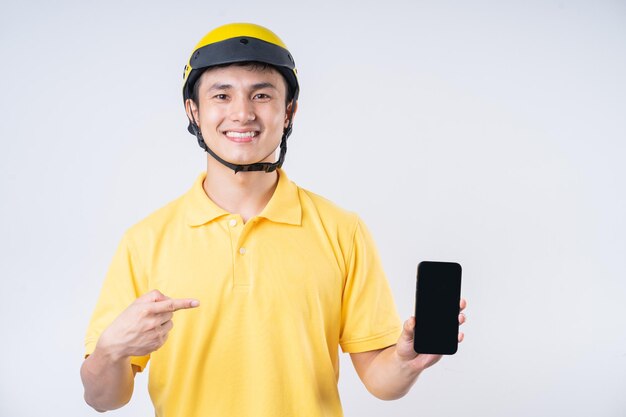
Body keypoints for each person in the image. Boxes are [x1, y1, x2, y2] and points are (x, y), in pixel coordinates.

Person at [80, 22, 467, 417]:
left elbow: (381, 383)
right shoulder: (145, 240)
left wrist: (406, 361)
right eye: (222, 95)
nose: (242, 113)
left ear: (289, 111)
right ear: (193, 110)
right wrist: (111, 350)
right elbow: (104, 398)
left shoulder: (341, 230)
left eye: (261, 94)